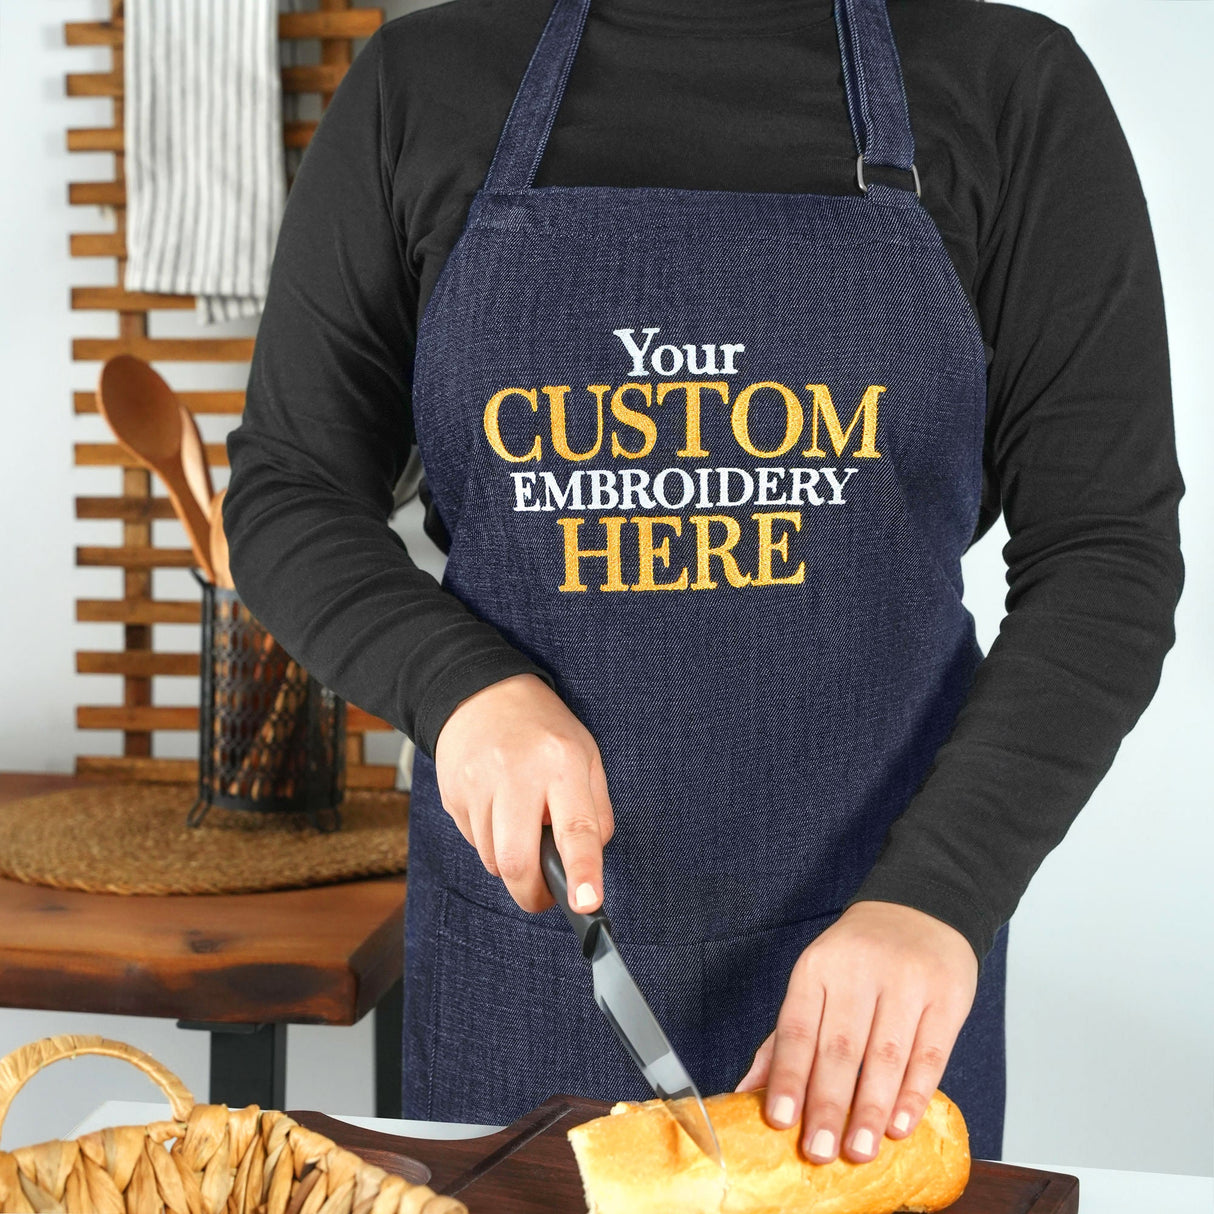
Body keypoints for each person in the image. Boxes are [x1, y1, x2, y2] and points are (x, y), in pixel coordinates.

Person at [224, 0, 1183, 1165]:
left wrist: (936, 895)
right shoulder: (422, 81)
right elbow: (287, 489)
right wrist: (459, 685)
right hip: (530, 962)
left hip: (877, 971)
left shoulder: (1006, 84)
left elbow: (1104, 552)